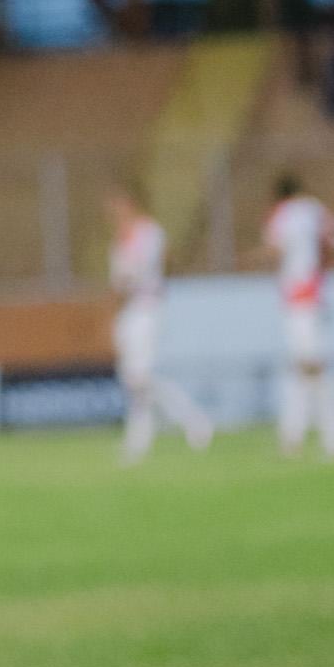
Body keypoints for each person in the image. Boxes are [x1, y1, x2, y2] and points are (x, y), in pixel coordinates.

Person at [104, 186, 212, 463]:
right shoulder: (120, 240)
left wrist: (127, 280)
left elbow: (142, 271)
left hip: (147, 306)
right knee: (134, 380)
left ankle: (193, 419)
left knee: (141, 377)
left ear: (130, 204)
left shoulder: (149, 233)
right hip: (130, 309)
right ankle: (140, 440)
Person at [260, 174, 334, 460]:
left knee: (312, 368)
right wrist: (324, 265)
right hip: (313, 292)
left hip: (298, 297)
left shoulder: (282, 214)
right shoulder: (313, 208)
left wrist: (260, 257)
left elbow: (276, 249)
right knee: (302, 369)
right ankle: (296, 436)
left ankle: (331, 436)